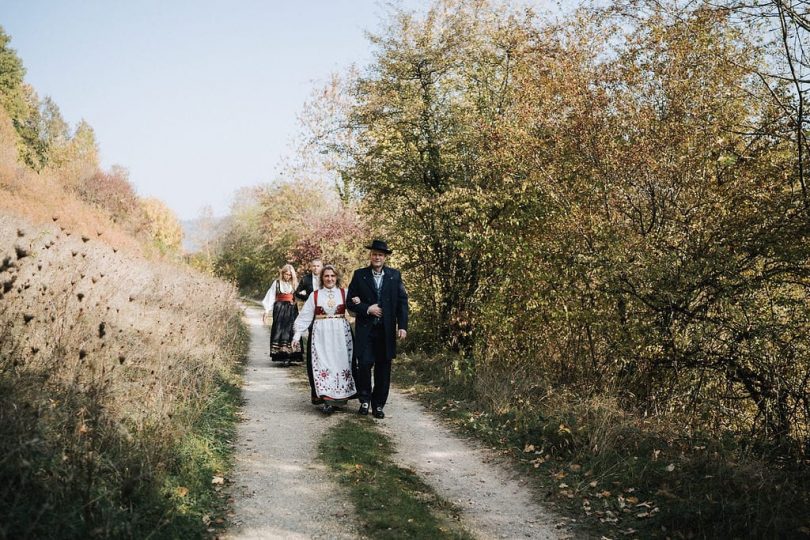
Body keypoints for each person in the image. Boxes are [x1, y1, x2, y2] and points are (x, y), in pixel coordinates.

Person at [346, 239, 409, 419]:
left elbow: (402, 303)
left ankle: (378, 405)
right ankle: (364, 400)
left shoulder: (394, 275)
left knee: (383, 368)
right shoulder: (360, 275)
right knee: (364, 365)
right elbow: (350, 301)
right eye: (374, 254)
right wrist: (367, 308)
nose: (377, 257)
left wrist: (402, 326)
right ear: (370, 256)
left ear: (385, 257)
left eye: (380, 255)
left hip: (386, 331)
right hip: (366, 330)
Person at [292, 265, 356, 414]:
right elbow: (305, 316)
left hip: (341, 335)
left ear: (337, 277)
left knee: (340, 364)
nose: (330, 279)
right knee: (323, 364)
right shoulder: (315, 295)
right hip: (321, 335)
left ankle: (339, 398)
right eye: (326, 276)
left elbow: (354, 313)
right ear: (322, 278)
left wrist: (358, 302)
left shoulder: (344, 293)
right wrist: (296, 335)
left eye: (332, 276)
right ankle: (326, 400)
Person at [261, 264, 303, 365]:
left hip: (292, 309)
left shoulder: (294, 284)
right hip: (279, 308)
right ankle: (281, 355)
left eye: (289, 275)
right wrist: (266, 311)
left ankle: (291, 355)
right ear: (282, 273)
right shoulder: (277, 283)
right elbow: (270, 296)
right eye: (285, 274)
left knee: (291, 330)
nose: (287, 276)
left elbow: (300, 296)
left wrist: (298, 301)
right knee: (279, 329)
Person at [295, 257, 323, 402]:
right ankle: (316, 391)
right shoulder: (306, 279)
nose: (316, 268)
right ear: (311, 267)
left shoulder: (326, 277)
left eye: (318, 266)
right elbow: (297, 292)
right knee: (314, 342)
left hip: (326, 314)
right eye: (314, 266)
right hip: (311, 312)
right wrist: (307, 298)